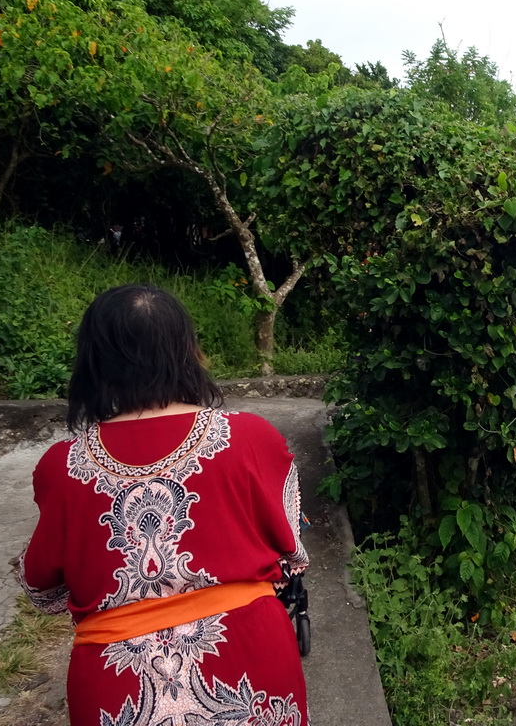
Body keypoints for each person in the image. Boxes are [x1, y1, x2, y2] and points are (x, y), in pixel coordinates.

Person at [18, 284, 310, 726]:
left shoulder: (62, 466)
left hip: (118, 681)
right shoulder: (251, 437)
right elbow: (292, 551)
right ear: (189, 350)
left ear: (93, 361)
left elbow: (43, 589)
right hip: (251, 662)